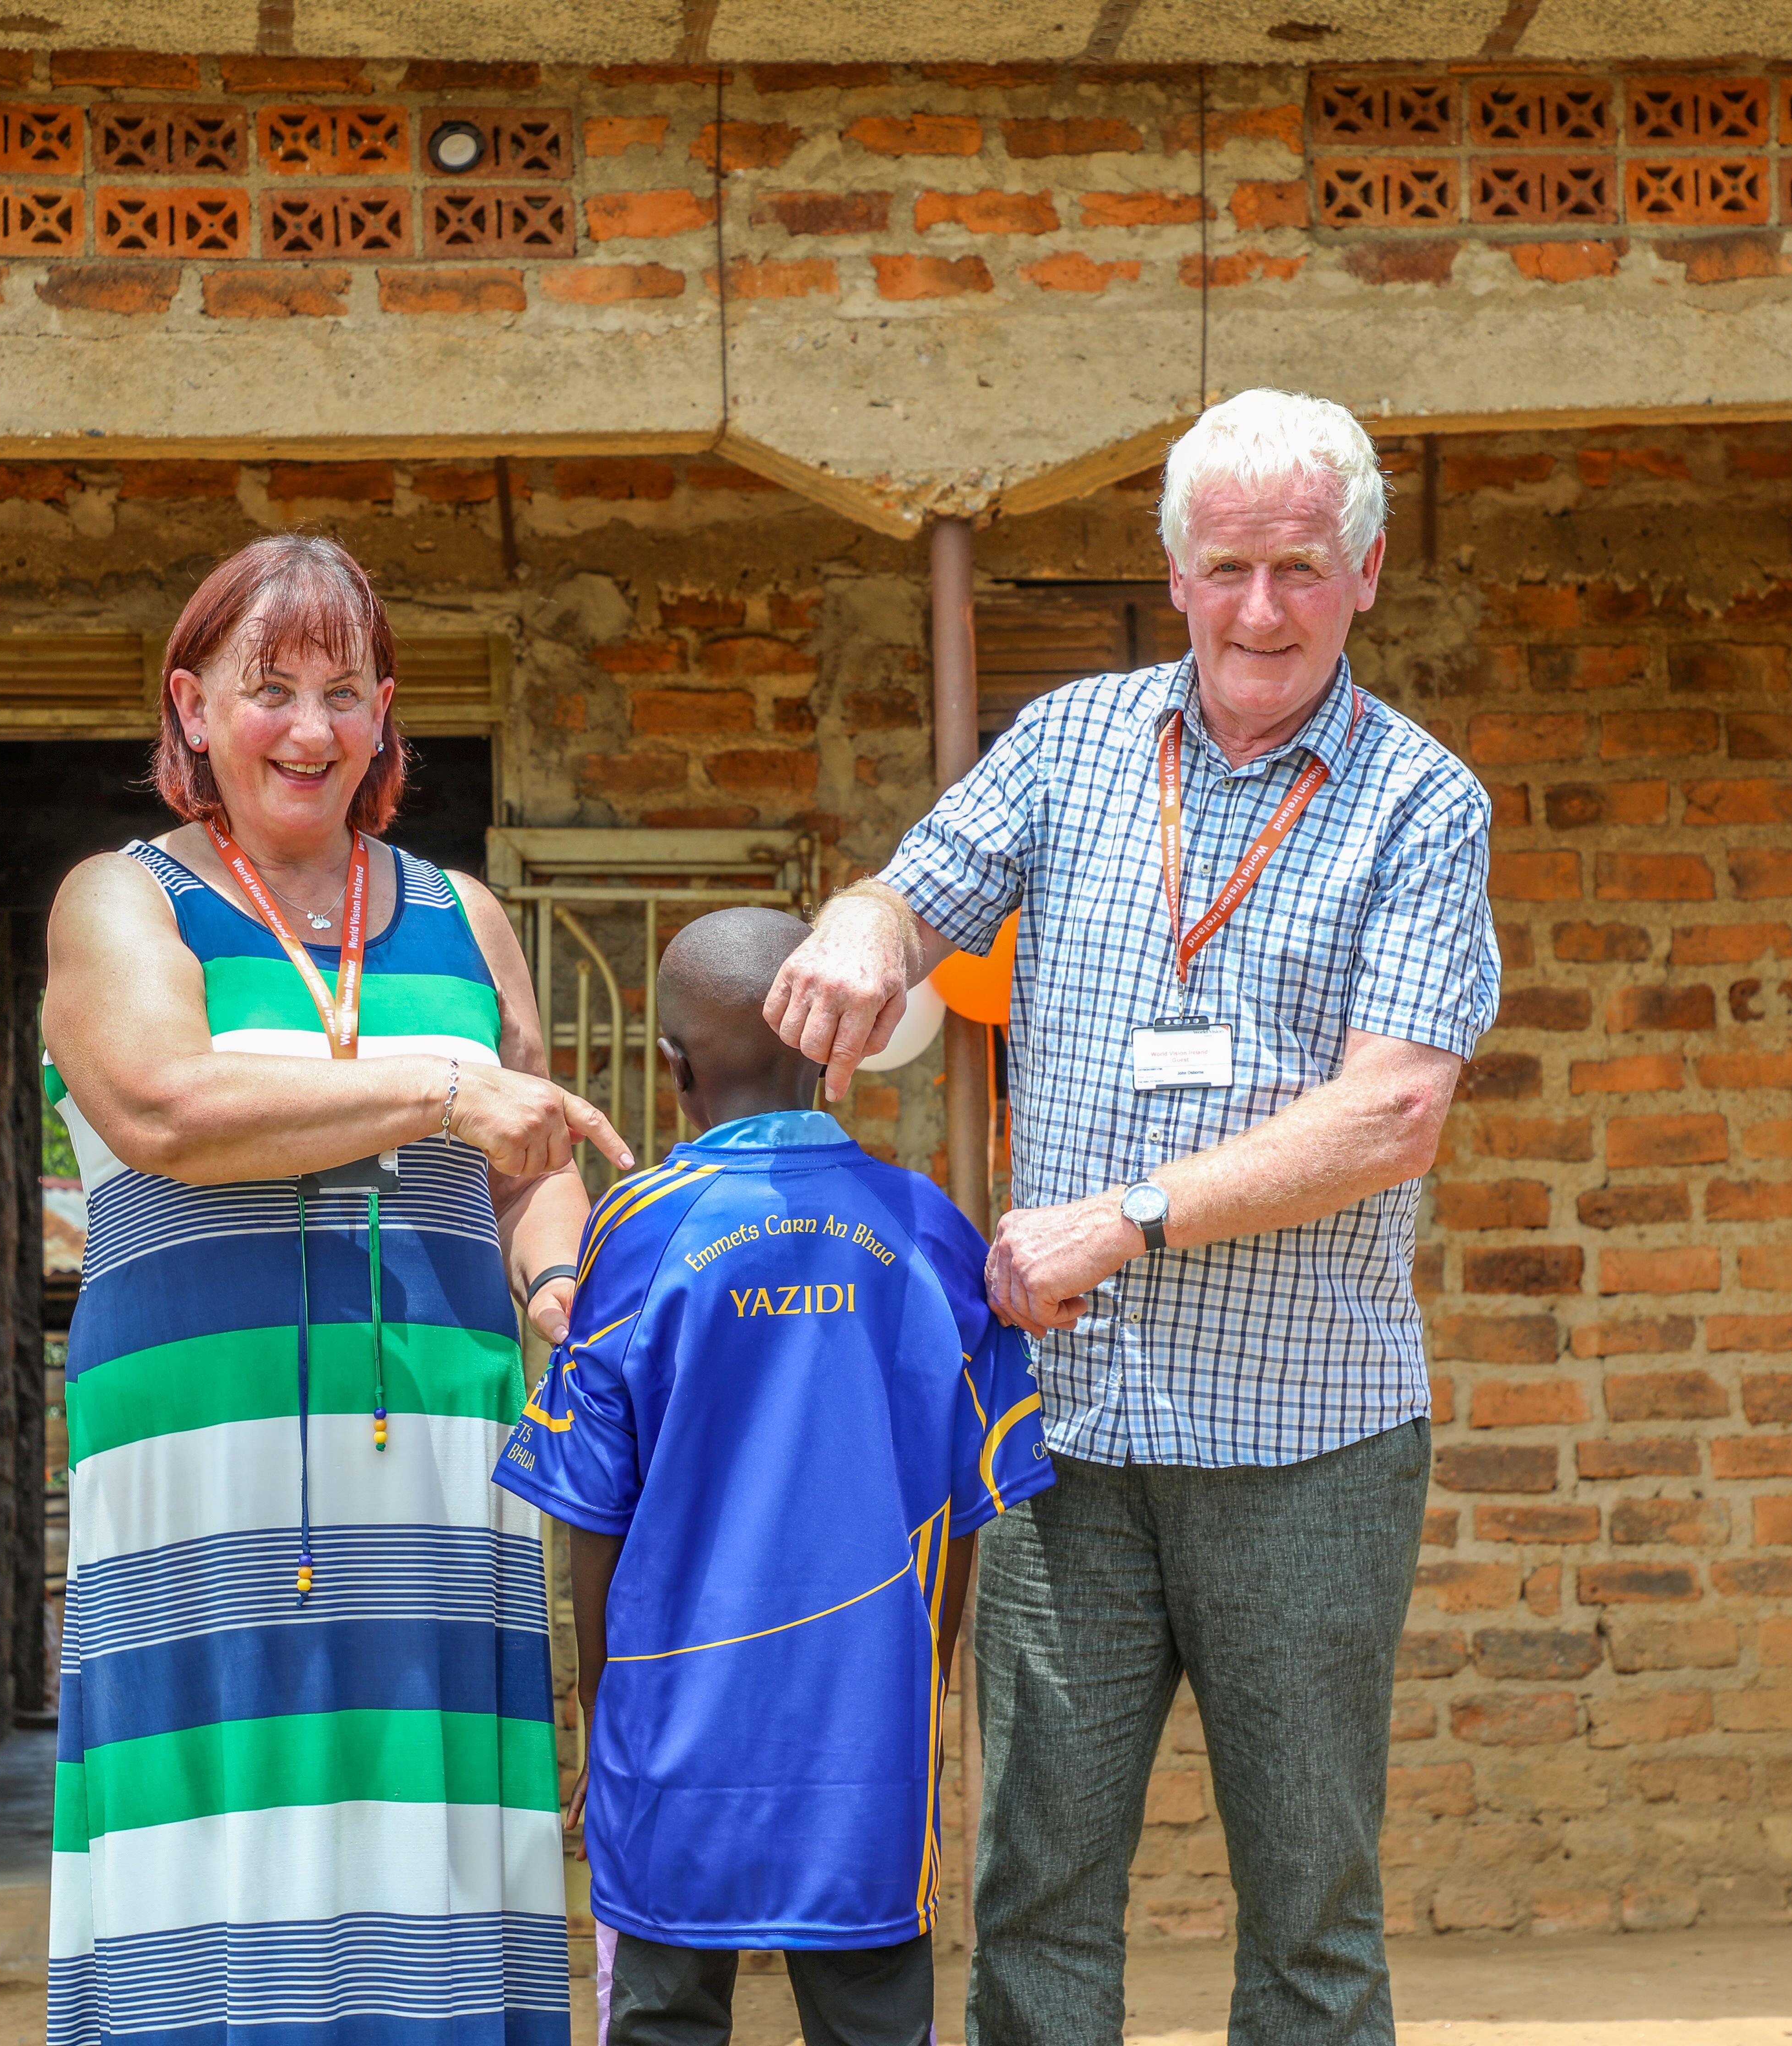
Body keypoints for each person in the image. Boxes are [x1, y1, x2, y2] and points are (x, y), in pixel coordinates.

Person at [763, 389, 1501, 2043]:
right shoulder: (1069, 744)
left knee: (1310, 1914)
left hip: (1309, 1442)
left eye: (1300, 568)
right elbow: (911, 887)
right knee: (1035, 1893)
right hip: (1068, 1441)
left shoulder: (1421, 804)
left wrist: (1129, 1219)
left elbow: (1396, 1109)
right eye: (1227, 566)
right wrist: (867, 930)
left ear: (1367, 571)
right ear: (1172, 573)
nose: (1261, 609)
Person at [41, 533, 630, 2046]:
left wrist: (558, 1275)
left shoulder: (461, 912)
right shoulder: (124, 903)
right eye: (268, 689)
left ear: (384, 715)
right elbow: (165, 1105)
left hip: (438, 1443)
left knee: (416, 1813)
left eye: (343, 691)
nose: (308, 729)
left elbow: (530, 1155)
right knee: (219, 1813)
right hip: (205, 1457)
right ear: (190, 704)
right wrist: (442, 1087)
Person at [493, 907, 1053, 2046]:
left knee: (661, 2019)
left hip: (669, 1737)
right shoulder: (933, 1234)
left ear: (671, 1068)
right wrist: (926, 1681)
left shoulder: (635, 1233)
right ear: (834, 1044)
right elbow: (970, 1506)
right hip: (867, 1742)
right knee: (873, 2025)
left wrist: (604, 1718)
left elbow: (593, 1518)